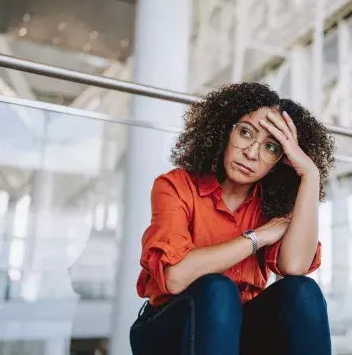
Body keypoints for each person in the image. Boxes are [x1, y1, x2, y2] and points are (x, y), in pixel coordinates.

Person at [129, 82, 336, 355]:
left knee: (303, 291)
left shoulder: (274, 204)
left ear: (281, 160)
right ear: (225, 130)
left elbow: (295, 266)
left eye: (271, 147)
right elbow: (176, 276)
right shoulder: (176, 186)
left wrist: (310, 173)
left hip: (237, 332)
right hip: (169, 328)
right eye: (246, 133)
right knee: (218, 289)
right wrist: (258, 237)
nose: (251, 153)